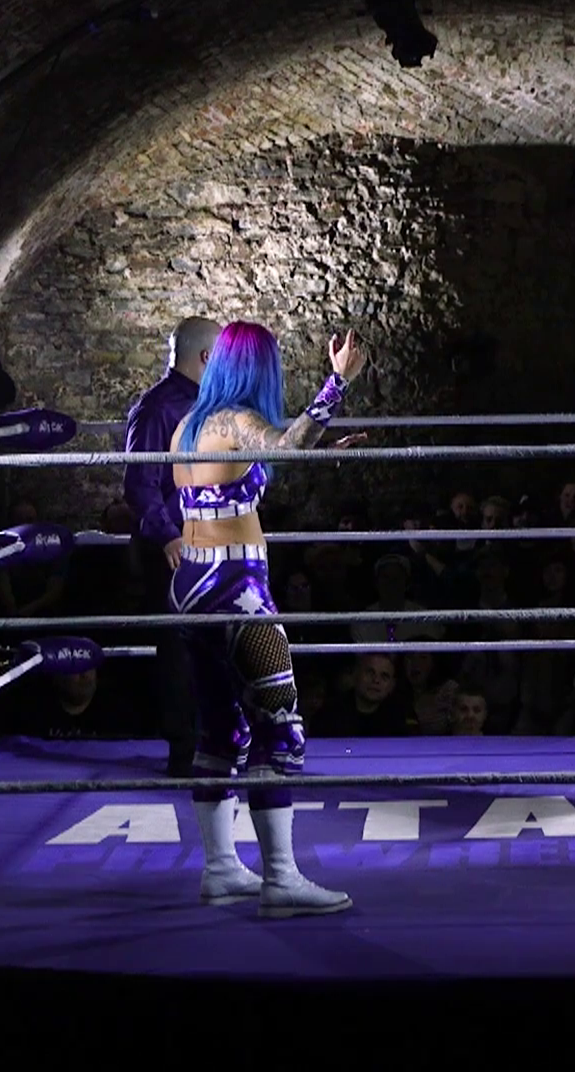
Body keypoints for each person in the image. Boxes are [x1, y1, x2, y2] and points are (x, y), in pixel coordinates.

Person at [167, 320, 368, 918]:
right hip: (236, 589)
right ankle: (281, 877)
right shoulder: (234, 419)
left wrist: (314, 449)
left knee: (220, 731)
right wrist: (336, 383)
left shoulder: (190, 426)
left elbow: (232, 485)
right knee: (280, 726)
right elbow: (281, 446)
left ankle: (220, 869)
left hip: (192, 586)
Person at [126, 317, 222, 777]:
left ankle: (214, 743)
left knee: (212, 645)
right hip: (176, 546)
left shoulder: (209, 404)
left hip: (208, 540)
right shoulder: (157, 408)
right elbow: (139, 482)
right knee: (180, 650)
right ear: (206, 357)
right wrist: (168, 535)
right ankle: (185, 752)